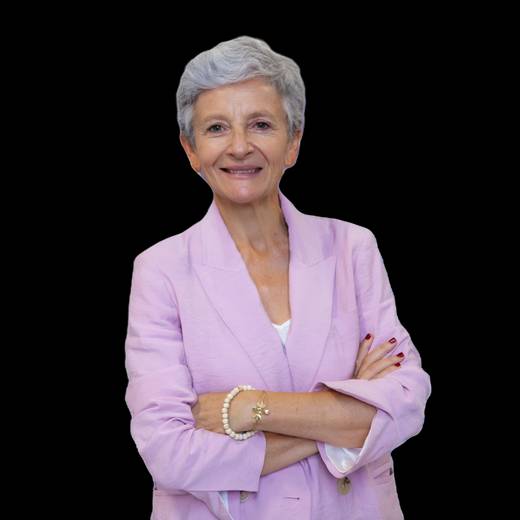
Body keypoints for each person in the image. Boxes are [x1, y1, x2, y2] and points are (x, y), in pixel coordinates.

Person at [124, 35, 432, 520]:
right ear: (191, 150)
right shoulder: (160, 270)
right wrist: (344, 416)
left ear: (293, 142)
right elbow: (169, 453)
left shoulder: (352, 248)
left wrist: (247, 407)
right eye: (217, 128)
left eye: (261, 124)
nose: (240, 146)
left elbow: (407, 403)